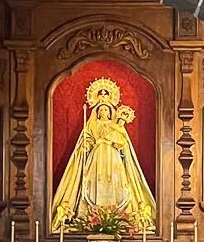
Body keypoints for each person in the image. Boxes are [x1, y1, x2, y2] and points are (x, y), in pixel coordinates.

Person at [50, 76, 157, 230]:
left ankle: (116, 216)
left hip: (112, 157)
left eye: (106, 109)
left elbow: (122, 144)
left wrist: (115, 135)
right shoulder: (92, 124)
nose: (104, 112)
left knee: (115, 181)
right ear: (97, 112)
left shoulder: (116, 126)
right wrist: (86, 144)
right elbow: (86, 142)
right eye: (101, 110)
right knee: (95, 182)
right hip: (97, 156)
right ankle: (91, 216)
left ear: (111, 111)